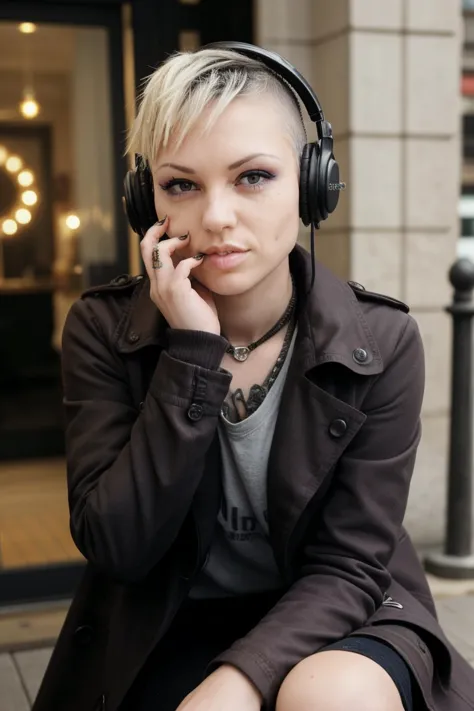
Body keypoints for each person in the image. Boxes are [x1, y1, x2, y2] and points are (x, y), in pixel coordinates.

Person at [33, 42, 474, 711]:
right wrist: (190, 353)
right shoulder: (104, 330)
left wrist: (237, 683)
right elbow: (118, 546)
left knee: (331, 695)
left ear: (313, 182)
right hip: (169, 615)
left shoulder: (380, 341)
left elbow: (350, 564)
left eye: (253, 176)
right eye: (181, 184)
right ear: (144, 200)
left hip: (338, 605)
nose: (215, 217)